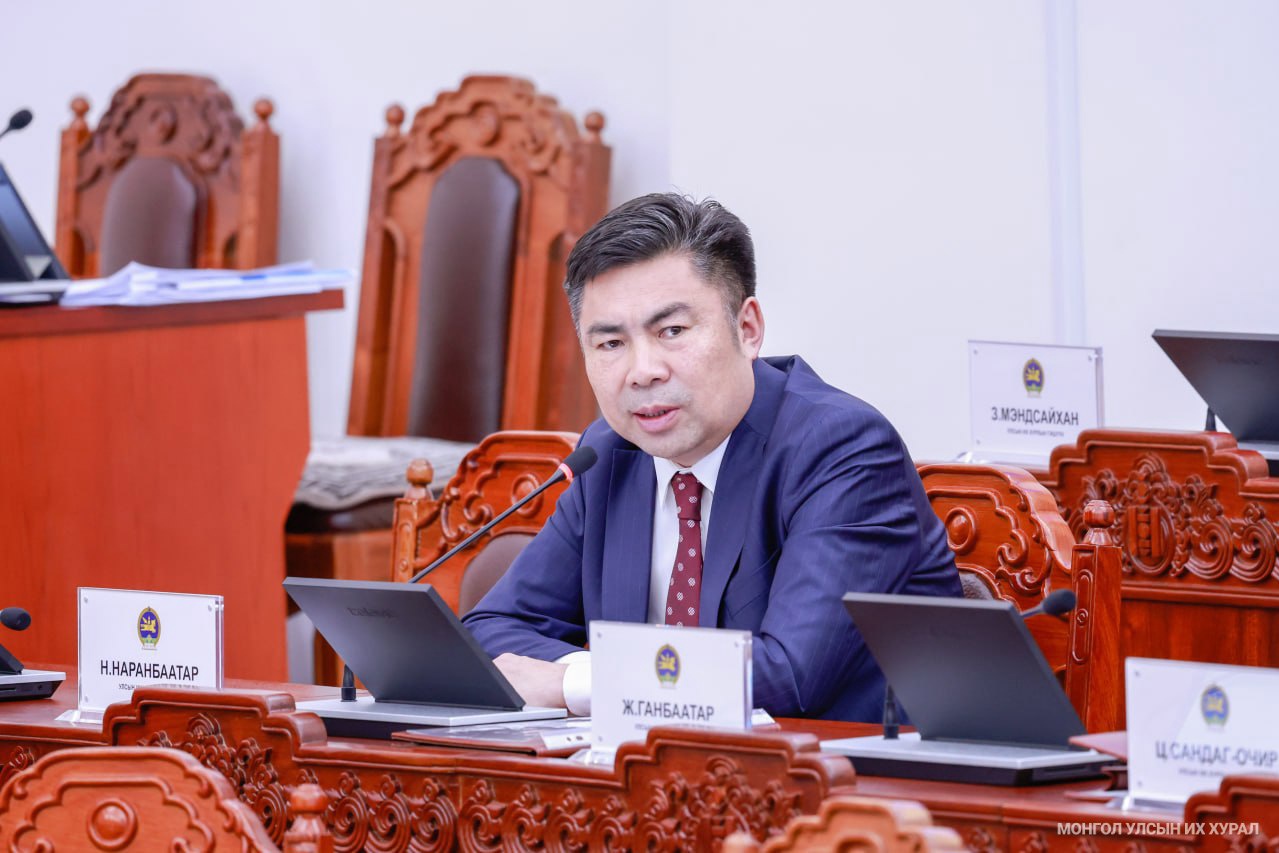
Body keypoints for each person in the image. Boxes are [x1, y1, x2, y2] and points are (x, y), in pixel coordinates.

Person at [462, 193, 960, 721]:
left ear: (748, 329)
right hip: (646, 764)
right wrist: (616, 684)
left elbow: (789, 677)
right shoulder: (609, 453)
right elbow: (493, 630)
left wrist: (580, 682)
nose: (643, 371)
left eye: (672, 332)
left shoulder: (842, 449)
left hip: (841, 768)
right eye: (610, 344)